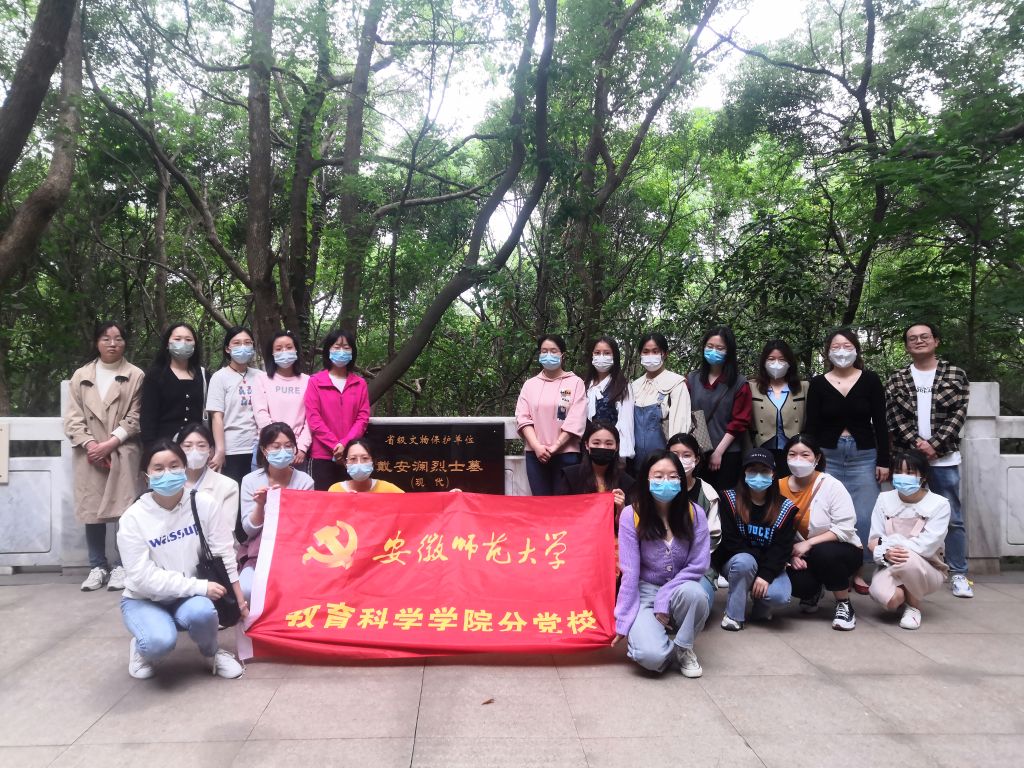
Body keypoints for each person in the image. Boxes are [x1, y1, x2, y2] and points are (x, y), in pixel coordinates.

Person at [117, 438, 246, 679]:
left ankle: (212, 653)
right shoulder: (133, 518)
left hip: (188, 597)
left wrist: (239, 599)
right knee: (158, 642)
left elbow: (224, 553)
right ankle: (142, 646)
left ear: (185, 469)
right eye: (158, 468)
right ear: (146, 476)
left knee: (203, 612)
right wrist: (199, 586)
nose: (167, 473)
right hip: (145, 599)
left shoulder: (203, 503)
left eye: (174, 466)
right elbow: (141, 577)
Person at [885, 322, 972, 598]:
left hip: (944, 458)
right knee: (904, 516)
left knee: (953, 518)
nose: (919, 341)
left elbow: (958, 414)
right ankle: (908, 567)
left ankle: (958, 573)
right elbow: (894, 418)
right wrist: (918, 446)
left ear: (936, 341)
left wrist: (934, 445)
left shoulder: (955, 375)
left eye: (925, 336)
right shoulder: (897, 379)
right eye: (912, 338)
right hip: (908, 463)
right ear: (906, 345)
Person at [804, 328, 889, 594]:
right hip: (828, 454)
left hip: (864, 454)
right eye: (836, 347)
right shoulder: (818, 383)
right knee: (825, 516)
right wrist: (809, 459)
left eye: (847, 346)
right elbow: (811, 425)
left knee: (864, 516)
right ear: (828, 352)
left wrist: (884, 459)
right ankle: (827, 570)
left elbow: (881, 422)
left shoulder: (870, 380)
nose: (842, 351)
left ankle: (858, 570)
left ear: (856, 349)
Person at [612, 450, 711, 677]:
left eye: (673, 476)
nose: (665, 481)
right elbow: (630, 572)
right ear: (646, 479)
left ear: (682, 480)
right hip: (645, 592)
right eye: (658, 476)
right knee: (651, 658)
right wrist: (623, 620)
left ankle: (684, 647)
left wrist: (665, 596)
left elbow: (698, 565)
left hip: (682, 588)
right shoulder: (631, 514)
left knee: (697, 593)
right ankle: (659, 642)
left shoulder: (695, 513)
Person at [64, 321, 145, 592]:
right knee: (92, 510)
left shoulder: (135, 375)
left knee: (125, 510)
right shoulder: (81, 375)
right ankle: (97, 566)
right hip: (89, 453)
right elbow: (72, 418)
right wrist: (91, 445)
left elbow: (136, 416)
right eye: (106, 338)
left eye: (118, 338)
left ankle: (122, 565)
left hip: (121, 449)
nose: (112, 343)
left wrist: (110, 443)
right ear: (97, 342)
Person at [779, 434, 862, 631]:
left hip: (841, 550)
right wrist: (790, 553)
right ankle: (813, 592)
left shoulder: (831, 486)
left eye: (805, 455)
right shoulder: (778, 486)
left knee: (823, 553)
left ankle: (844, 604)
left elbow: (845, 528)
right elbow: (775, 528)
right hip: (801, 553)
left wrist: (808, 544)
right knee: (799, 583)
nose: (798, 460)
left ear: (816, 458)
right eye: (792, 454)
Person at [868, 450, 951, 630]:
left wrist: (891, 546)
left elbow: (926, 546)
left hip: (927, 568)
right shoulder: (884, 499)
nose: (903, 476)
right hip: (889, 563)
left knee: (906, 558)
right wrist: (886, 553)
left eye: (910, 472)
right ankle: (903, 596)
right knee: (891, 600)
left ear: (923, 476)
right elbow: (874, 539)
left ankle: (913, 607)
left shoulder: (939, 504)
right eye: (899, 471)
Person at [714, 448, 796, 630]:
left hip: (767, 564)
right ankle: (734, 616)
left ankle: (761, 605)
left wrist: (765, 575)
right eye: (753, 470)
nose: (758, 475)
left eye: (764, 471)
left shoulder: (786, 507)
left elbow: (782, 548)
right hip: (737, 562)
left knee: (780, 596)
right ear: (744, 472)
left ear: (773, 474)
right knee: (745, 562)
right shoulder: (728, 499)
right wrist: (760, 565)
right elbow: (731, 542)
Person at [237, 423, 314, 600]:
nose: (283, 451)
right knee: (246, 589)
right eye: (276, 446)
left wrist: (284, 502)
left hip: (294, 550)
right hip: (259, 551)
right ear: (264, 450)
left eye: (288, 446)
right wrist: (260, 505)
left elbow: (305, 527)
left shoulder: (305, 481)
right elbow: (249, 530)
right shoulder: (250, 481)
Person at [515, 334, 588, 496]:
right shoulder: (530, 385)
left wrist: (555, 447)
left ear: (563, 355)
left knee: (564, 504)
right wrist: (536, 446)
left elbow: (576, 418)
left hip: (567, 454)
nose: (548, 354)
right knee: (541, 504)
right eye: (544, 351)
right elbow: (523, 417)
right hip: (536, 455)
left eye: (553, 351)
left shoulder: (575, 383)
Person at [687, 326, 751, 492]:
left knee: (724, 498)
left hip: (727, 454)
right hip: (697, 452)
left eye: (720, 348)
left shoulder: (739, 383)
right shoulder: (692, 379)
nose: (713, 351)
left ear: (729, 351)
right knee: (697, 496)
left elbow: (739, 421)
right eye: (709, 346)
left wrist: (719, 452)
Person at [304, 330, 370, 490]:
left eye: (346, 347)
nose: (341, 351)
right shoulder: (315, 382)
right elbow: (314, 419)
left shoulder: (360, 383)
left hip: (353, 457)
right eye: (336, 347)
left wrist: (345, 444)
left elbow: (362, 418)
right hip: (322, 456)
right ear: (328, 350)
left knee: (352, 500)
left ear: (353, 352)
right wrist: (335, 445)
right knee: (323, 501)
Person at [667, 432, 721, 611]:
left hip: (699, 567)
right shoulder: (657, 487)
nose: (680, 460)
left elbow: (713, 537)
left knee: (696, 605)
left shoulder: (708, 493)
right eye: (674, 455)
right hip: (661, 564)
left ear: (696, 459)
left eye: (686, 455)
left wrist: (689, 559)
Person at [206, 326, 260, 484]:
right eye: (237, 343)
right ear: (227, 349)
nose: (243, 347)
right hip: (232, 449)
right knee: (234, 493)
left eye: (247, 343)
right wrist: (220, 450)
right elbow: (216, 417)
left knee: (258, 493)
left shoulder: (261, 376)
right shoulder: (219, 377)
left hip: (259, 447)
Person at [252, 330, 311, 468]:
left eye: (289, 347)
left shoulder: (308, 381)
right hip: (268, 448)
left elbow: (310, 419)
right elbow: (261, 413)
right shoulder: (262, 379)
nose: (284, 351)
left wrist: (302, 447)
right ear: (272, 353)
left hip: (296, 450)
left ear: (296, 351)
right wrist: (274, 443)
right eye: (278, 349)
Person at [140, 323, 206, 446]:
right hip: (165, 447)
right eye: (177, 339)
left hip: (197, 446)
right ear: (167, 344)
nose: (183, 343)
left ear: (195, 345)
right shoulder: (155, 375)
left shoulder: (203, 375)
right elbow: (148, 418)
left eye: (188, 340)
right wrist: (150, 449)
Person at [554, 421, 635, 518]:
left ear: (617, 447)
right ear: (587, 445)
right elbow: (559, 513)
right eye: (596, 443)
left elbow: (629, 524)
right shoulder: (570, 476)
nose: (602, 447)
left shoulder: (627, 482)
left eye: (609, 444)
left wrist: (621, 509)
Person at [631, 332, 689, 466]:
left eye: (655, 351)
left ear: (665, 354)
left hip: (664, 461)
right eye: (646, 351)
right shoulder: (634, 386)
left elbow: (680, 425)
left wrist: (674, 459)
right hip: (635, 461)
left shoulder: (676, 383)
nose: (650, 355)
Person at [750, 339, 806, 477]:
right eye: (771, 359)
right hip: (762, 449)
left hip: (794, 450)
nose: (776, 363)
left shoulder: (803, 387)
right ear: (764, 362)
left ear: (790, 362)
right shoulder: (752, 387)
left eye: (782, 359)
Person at [176, 423, 239, 530]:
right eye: (187, 446)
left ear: (210, 451)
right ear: (178, 450)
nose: (194, 451)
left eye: (201, 446)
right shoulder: (169, 483)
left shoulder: (228, 486)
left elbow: (226, 529)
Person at [583, 336, 635, 461]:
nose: (601, 357)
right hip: (586, 449)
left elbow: (626, 423)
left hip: (611, 451)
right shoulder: (584, 385)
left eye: (606, 353)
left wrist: (623, 457)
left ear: (614, 356)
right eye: (597, 353)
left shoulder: (622, 386)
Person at [328, 439, 404, 493]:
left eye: (365, 458)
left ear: (373, 462)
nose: (359, 463)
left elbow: (407, 502)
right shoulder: (335, 490)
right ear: (345, 463)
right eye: (353, 459)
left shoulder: (387, 489)